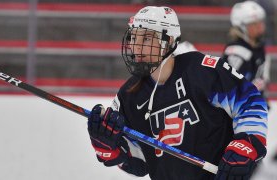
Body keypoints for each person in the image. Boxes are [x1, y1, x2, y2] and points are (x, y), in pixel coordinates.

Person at [86, 6, 268, 180]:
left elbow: (250, 102)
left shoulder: (202, 69)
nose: (137, 47)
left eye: (147, 39)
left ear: (169, 41)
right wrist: (111, 149)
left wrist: (246, 144)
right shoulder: (128, 97)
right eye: (134, 38)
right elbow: (140, 162)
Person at [222, 1, 271, 109]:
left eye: (260, 22)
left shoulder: (258, 47)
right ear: (241, 27)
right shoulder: (237, 52)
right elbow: (229, 89)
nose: (260, 27)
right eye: (254, 24)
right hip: (240, 113)